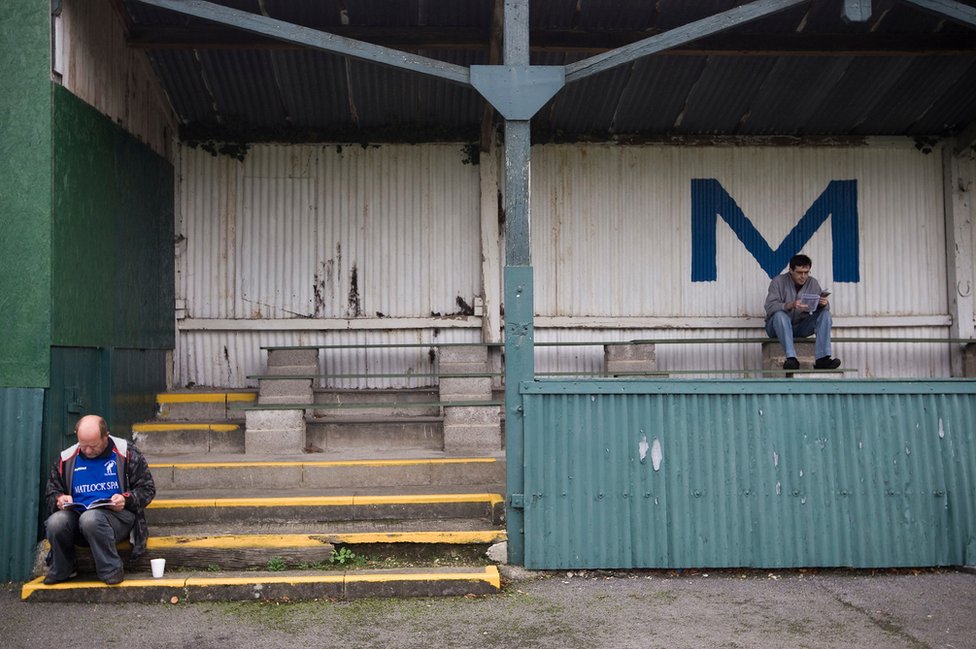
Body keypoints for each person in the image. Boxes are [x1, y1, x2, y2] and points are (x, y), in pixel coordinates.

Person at [43, 414, 155, 585]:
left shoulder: (126, 452)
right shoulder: (67, 458)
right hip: (77, 518)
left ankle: (111, 569)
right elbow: (51, 492)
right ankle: (62, 569)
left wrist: (126, 499)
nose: (88, 451)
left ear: (106, 436)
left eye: (93, 446)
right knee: (55, 522)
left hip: (118, 518)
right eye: (83, 446)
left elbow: (147, 489)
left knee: (91, 518)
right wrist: (59, 499)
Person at [764, 253, 841, 371]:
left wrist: (823, 304)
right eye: (800, 273)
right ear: (790, 270)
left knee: (826, 315)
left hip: (801, 326)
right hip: (776, 327)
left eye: (806, 272)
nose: (803, 276)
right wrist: (790, 305)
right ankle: (791, 358)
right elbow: (769, 307)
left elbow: (823, 312)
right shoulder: (778, 282)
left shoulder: (813, 283)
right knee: (780, 315)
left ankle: (822, 359)